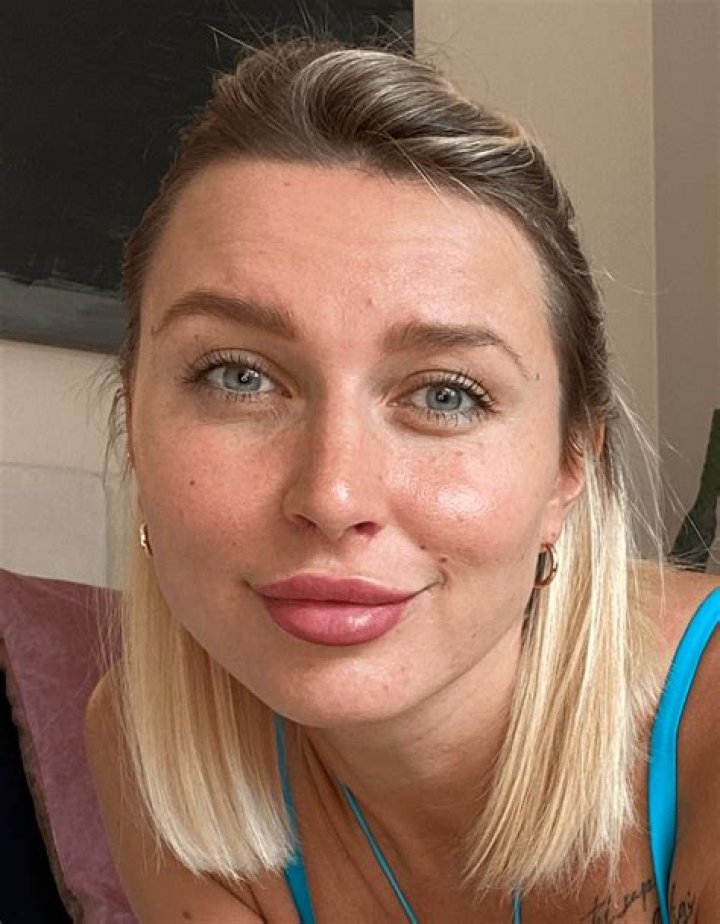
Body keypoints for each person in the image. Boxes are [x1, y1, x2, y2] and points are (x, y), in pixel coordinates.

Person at [85, 36, 719, 923]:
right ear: (134, 428)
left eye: (445, 394)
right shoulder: (148, 743)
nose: (333, 496)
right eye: (238, 376)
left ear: (569, 466)